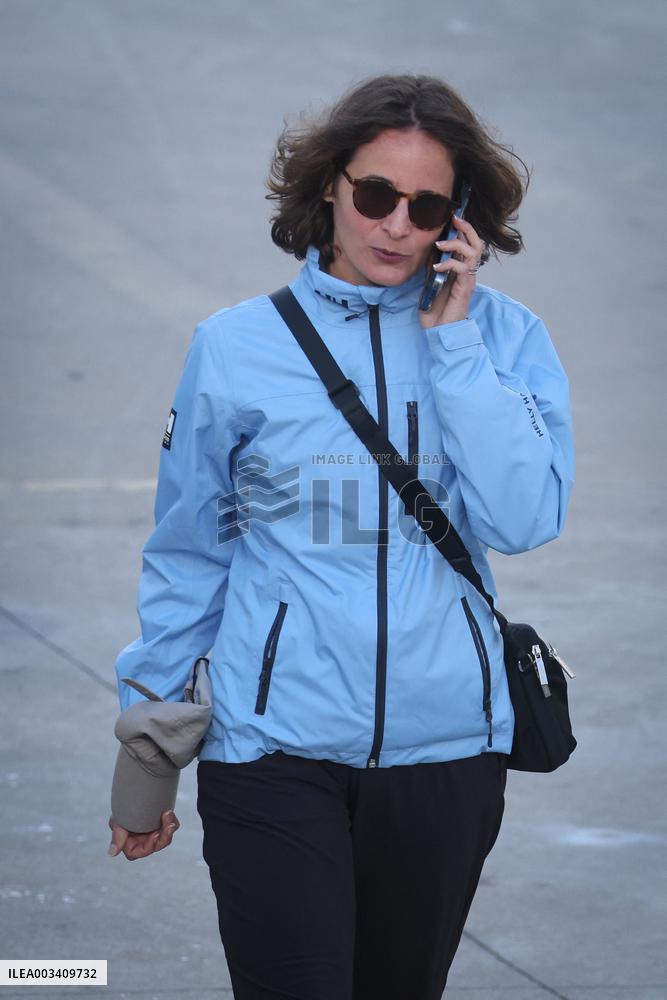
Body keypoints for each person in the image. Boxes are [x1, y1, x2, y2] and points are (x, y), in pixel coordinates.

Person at [107, 74, 575, 1000]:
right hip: (273, 750)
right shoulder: (237, 346)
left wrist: (454, 351)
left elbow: (525, 521)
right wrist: (147, 749)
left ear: (458, 217)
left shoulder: (504, 339)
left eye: (425, 203)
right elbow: (192, 547)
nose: (396, 224)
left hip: (447, 757)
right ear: (330, 185)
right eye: (375, 195)